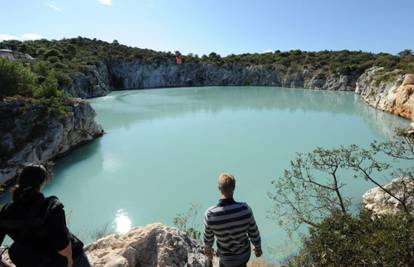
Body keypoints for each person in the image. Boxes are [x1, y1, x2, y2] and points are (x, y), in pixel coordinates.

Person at [0, 164, 91, 267]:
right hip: (65, 260)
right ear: (42, 183)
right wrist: (70, 260)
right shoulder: (51, 206)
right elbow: (63, 246)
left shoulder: (6, 211)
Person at [203, 172, 262, 267]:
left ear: (219, 188)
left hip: (225, 258)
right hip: (244, 256)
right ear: (234, 187)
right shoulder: (245, 209)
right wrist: (258, 248)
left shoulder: (210, 214)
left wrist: (208, 250)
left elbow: (208, 239)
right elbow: (254, 232)